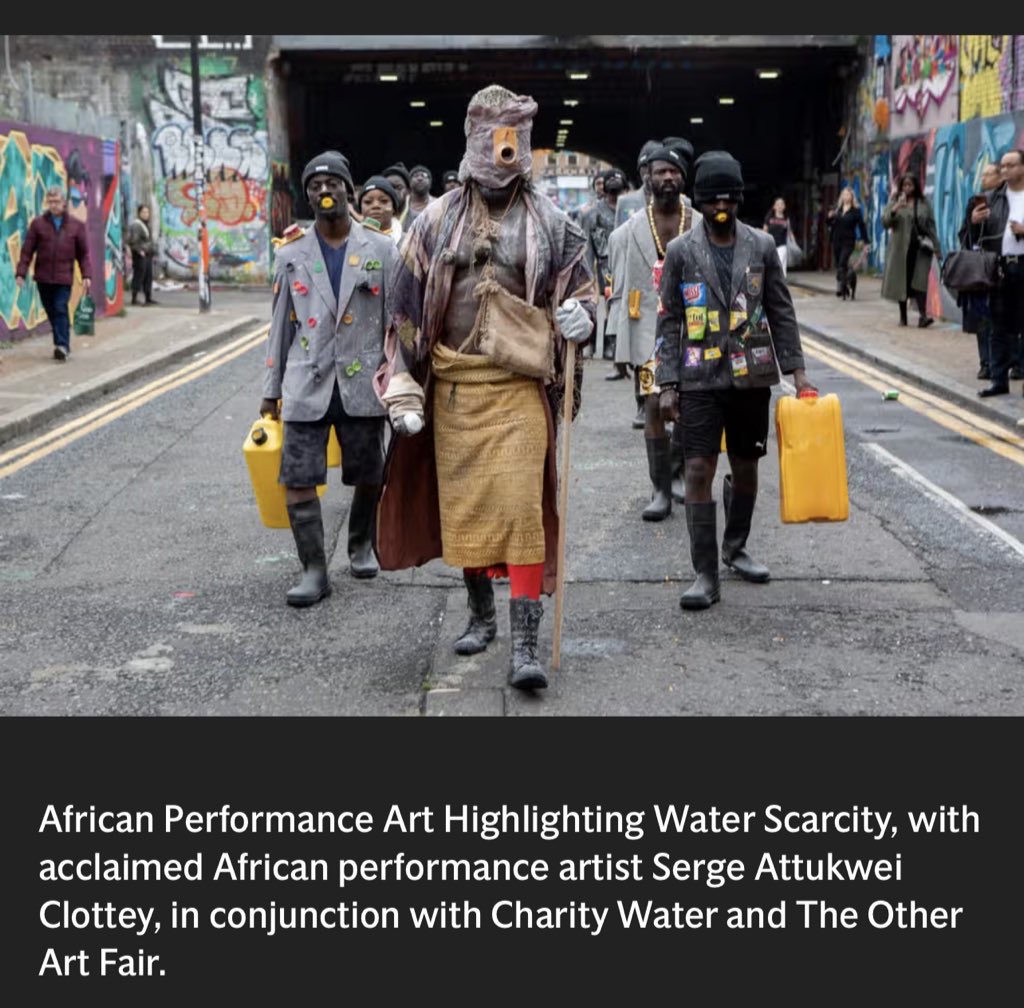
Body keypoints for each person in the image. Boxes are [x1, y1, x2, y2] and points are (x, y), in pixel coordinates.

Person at [374, 84, 596, 691]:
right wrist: (403, 386)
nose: (504, 152)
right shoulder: (435, 221)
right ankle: (480, 615)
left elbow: (581, 289)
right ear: (473, 141)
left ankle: (526, 644)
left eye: (513, 139)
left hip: (520, 387)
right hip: (453, 387)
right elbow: (404, 309)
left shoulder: (553, 222)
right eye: (492, 138)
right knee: (465, 509)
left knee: (524, 506)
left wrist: (583, 315)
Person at [656, 150, 816, 610]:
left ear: (740, 199)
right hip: (699, 379)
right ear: (700, 202)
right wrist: (667, 384)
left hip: (752, 377)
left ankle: (736, 546)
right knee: (698, 469)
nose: (720, 207)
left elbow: (781, 311)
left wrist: (798, 373)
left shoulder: (763, 246)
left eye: (728, 199)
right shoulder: (681, 251)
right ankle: (704, 574)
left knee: (746, 470)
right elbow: (669, 320)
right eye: (712, 200)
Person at [260, 150, 398, 606]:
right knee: (296, 476)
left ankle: (360, 541)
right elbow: (280, 324)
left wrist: (401, 378)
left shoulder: (380, 249)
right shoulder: (291, 253)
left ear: (348, 190)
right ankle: (314, 569)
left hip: (362, 382)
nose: (324, 192)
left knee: (369, 473)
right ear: (308, 195)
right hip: (307, 381)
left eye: (332, 184)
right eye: (315, 186)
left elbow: (397, 321)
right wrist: (271, 392)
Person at [606, 145, 694, 521]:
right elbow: (619, 280)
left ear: (682, 177)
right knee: (655, 405)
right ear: (649, 177)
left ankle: (677, 476)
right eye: (661, 172)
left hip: (695, 331)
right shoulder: (629, 231)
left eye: (673, 172)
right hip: (649, 334)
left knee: (691, 408)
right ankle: (659, 488)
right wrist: (616, 335)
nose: (667, 178)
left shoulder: (700, 221)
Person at [15, 184, 92, 362]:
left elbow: (84, 254)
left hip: (64, 277)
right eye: (50, 202)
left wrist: (87, 276)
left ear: (64, 202)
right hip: (43, 277)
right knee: (52, 311)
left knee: (59, 308)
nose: (53, 205)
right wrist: (21, 272)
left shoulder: (76, 226)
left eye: (56, 202)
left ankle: (62, 345)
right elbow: (27, 250)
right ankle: (61, 341)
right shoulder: (38, 224)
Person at [970, 149, 1024, 398]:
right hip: (999, 267)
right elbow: (972, 238)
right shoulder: (993, 199)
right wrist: (974, 222)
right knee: (998, 326)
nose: (1004, 170)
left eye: (1010, 165)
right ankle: (998, 380)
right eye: (1002, 166)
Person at [957, 163, 1001, 381]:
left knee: (1005, 319)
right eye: (982, 173)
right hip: (981, 270)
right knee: (983, 318)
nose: (983, 177)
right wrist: (973, 222)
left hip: (1004, 267)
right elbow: (964, 235)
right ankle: (986, 363)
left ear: (1000, 176)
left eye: (988, 174)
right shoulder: (974, 202)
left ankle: (1013, 363)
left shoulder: (1008, 201)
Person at [881, 172, 941, 328]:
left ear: (915, 186)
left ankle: (923, 316)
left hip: (920, 248)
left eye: (910, 185)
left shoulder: (923, 202)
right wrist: (896, 208)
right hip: (901, 249)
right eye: (905, 185)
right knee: (903, 282)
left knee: (920, 282)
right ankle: (903, 317)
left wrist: (937, 247)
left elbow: (931, 226)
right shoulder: (895, 201)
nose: (907, 188)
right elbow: (885, 221)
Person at [581, 167, 626, 362]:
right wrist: (587, 273)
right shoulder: (593, 214)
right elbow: (587, 245)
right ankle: (594, 345)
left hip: (625, 261)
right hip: (603, 263)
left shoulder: (629, 210)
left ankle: (614, 345)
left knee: (619, 304)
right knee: (603, 302)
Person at [827, 186, 869, 300]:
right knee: (840, 266)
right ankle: (845, 285)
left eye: (848, 195)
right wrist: (830, 217)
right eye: (844, 194)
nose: (846, 197)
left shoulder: (856, 211)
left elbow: (862, 226)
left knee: (842, 262)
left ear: (851, 197)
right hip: (836, 240)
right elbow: (830, 224)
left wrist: (866, 241)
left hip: (849, 241)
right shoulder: (838, 209)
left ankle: (840, 287)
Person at [614, 139, 661, 229]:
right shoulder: (624, 202)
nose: (648, 172)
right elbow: (617, 239)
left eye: (653, 166)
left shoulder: (682, 202)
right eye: (644, 166)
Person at [127, 204, 159, 306]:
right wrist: (139, 251)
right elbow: (133, 241)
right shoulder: (137, 225)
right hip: (140, 255)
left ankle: (148, 298)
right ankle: (134, 298)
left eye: (147, 212)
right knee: (139, 275)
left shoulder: (146, 225)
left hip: (147, 254)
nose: (146, 214)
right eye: (144, 212)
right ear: (139, 213)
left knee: (148, 276)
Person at [357, 175, 403, 244]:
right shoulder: (350, 240)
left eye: (383, 201)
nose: (376, 206)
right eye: (368, 202)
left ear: (394, 208)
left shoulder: (409, 242)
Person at [762, 196, 792, 277]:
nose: (780, 206)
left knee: (781, 264)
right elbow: (765, 231)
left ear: (784, 206)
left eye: (782, 204)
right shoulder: (769, 217)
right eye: (778, 204)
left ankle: (781, 281)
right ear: (774, 206)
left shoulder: (786, 219)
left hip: (782, 245)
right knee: (771, 265)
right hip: (770, 245)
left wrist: (793, 242)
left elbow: (789, 232)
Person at [382, 162, 412, 229]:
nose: (393, 191)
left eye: (399, 188)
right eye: (389, 187)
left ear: (408, 191)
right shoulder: (375, 216)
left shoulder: (418, 219)